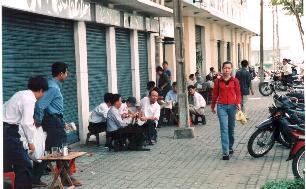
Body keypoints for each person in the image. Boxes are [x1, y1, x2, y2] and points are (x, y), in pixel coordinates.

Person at [34, 62, 81, 186]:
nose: (67, 75)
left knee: (49, 150)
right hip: (52, 121)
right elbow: (40, 105)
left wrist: (60, 120)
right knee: (61, 148)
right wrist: (38, 121)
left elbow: (50, 106)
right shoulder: (53, 88)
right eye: (66, 72)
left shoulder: (52, 85)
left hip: (54, 120)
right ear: (61, 73)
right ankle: (66, 177)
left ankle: (35, 177)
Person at [3, 76, 48, 189]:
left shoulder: (20, 94)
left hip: (8, 131)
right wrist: (31, 142)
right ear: (41, 90)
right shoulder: (29, 99)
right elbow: (27, 123)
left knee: (16, 165)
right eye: (43, 93)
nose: (42, 96)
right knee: (25, 165)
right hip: (8, 133)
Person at [211, 61, 241, 160]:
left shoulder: (235, 81)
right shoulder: (218, 81)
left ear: (231, 69)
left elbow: (238, 93)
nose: (227, 70)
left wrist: (238, 103)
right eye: (225, 68)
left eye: (228, 68)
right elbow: (215, 94)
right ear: (222, 69)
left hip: (232, 106)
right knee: (224, 128)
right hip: (221, 107)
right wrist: (213, 106)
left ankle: (230, 146)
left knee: (231, 128)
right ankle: (225, 152)